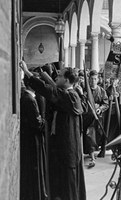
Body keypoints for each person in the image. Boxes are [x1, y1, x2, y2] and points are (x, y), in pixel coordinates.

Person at [19, 61, 86, 200]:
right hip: (64, 148)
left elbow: (49, 90)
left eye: (59, 76)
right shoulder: (69, 94)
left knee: (68, 187)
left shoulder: (70, 96)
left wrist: (27, 73)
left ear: (66, 80)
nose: (56, 78)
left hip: (68, 149)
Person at [20, 74, 44, 200]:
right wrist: (44, 122)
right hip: (32, 139)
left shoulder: (26, 97)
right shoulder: (30, 99)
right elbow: (37, 123)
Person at [83, 69, 109, 167]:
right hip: (88, 117)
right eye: (91, 79)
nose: (93, 81)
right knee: (89, 135)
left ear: (98, 79)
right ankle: (91, 155)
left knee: (97, 135)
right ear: (89, 80)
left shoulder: (101, 91)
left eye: (95, 79)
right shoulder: (86, 90)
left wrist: (100, 109)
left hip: (98, 117)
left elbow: (106, 103)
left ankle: (94, 151)